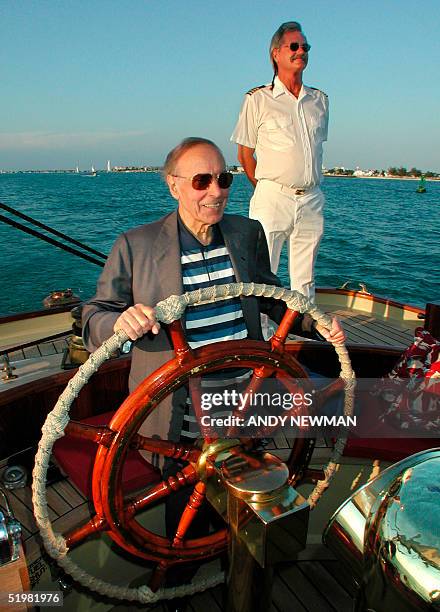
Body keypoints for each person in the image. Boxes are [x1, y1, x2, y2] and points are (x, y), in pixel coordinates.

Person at [231, 21, 328, 301]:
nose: (301, 52)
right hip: (272, 196)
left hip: (311, 199)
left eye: (305, 47)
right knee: (264, 275)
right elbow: (244, 155)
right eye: (294, 46)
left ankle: (303, 336)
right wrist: (266, 188)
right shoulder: (257, 99)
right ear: (276, 53)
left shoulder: (320, 101)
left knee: (305, 278)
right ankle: (263, 339)